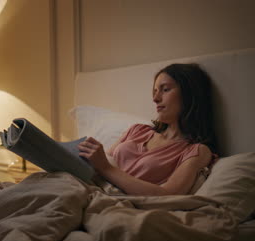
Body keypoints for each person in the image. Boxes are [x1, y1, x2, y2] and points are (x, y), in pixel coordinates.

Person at [78, 63, 218, 196]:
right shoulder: (137, 130)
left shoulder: (196, 151)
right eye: (155, 91)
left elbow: (168, 195)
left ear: (189, 94)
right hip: (90, 186)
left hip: (113, 198)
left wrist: (106, 168)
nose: (155, 98)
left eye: (165, 89)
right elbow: (104, 161)